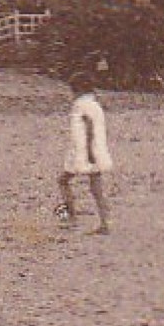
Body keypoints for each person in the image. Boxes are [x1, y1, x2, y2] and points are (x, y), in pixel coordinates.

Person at [58, 72, 113, 235]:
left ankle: (72, 217)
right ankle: (105, 221)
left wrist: (88, 152)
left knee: (63, 181)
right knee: (96, 187)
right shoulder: (95, 104)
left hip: (84, 151)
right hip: (96, 149)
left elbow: (88, 129)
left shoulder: (82, 106)